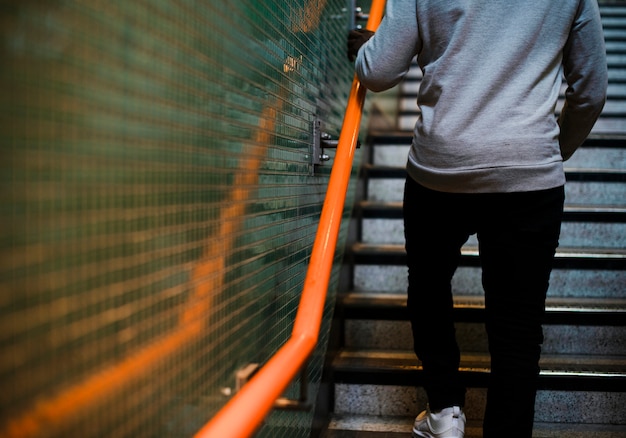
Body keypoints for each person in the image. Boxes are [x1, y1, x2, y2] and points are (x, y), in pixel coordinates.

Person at [347, 1, 607, 437]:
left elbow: (377, 73)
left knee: (429, 289)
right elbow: (592, 88)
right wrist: (549, 151)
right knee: (518, 326)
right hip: (530, 177)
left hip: (439, 170)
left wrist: (366, 48)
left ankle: (445, 412)